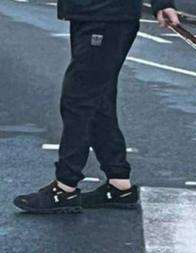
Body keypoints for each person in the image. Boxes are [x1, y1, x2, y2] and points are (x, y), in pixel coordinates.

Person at [13, 0, 179, 214]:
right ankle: (119, 184)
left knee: (78, 100)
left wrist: (162, 3)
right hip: (92, 13)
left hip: (105, 14)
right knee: (99, 101)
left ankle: (65, 187)